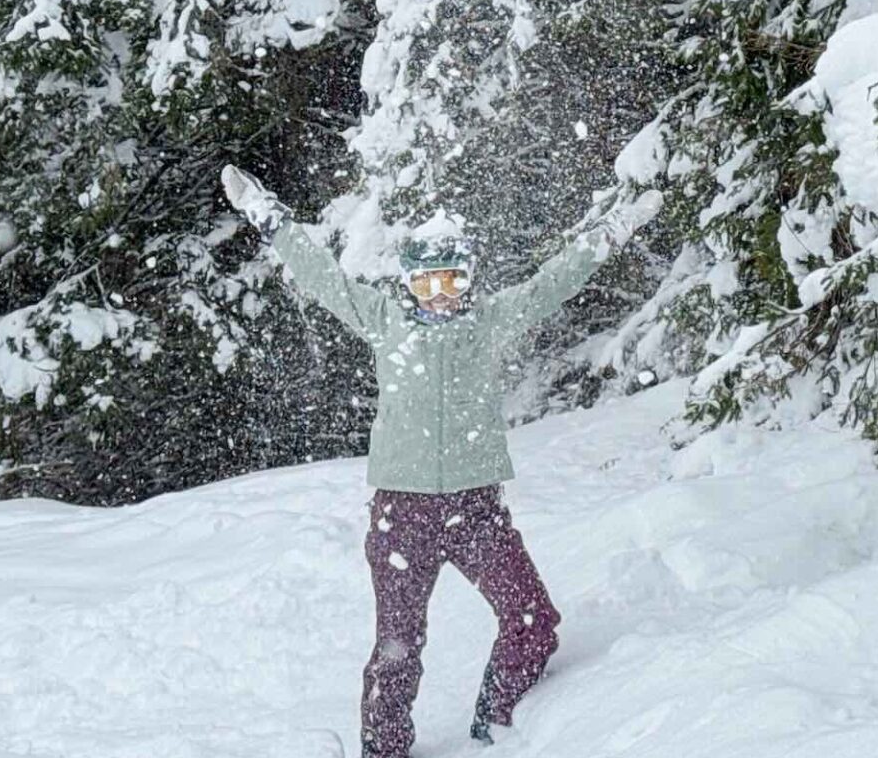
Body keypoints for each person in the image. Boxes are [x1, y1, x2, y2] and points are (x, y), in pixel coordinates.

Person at [219, 164, 659, 756]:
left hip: (476, 510)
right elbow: (320, 274)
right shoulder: (384, 320)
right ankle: (384, 751)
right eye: (427, 284)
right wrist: (268, 216)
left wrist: (615, 228)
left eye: (452, 280)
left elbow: (555, 281)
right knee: (397, 650)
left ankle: (499, 727)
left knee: (531, 620)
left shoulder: (489, 322)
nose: (441, 294)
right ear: (410, 286)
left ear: (468, 280)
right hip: (403, 516)